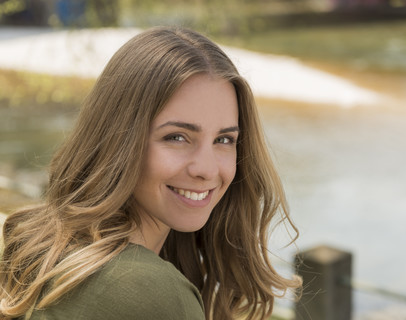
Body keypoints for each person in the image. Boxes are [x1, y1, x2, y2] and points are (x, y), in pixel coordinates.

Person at [0, 26, 301, 320]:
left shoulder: (41, 244)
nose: (207, 169)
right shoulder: (149, 291)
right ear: (119, 141)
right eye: (177, 137)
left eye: (224, 140)